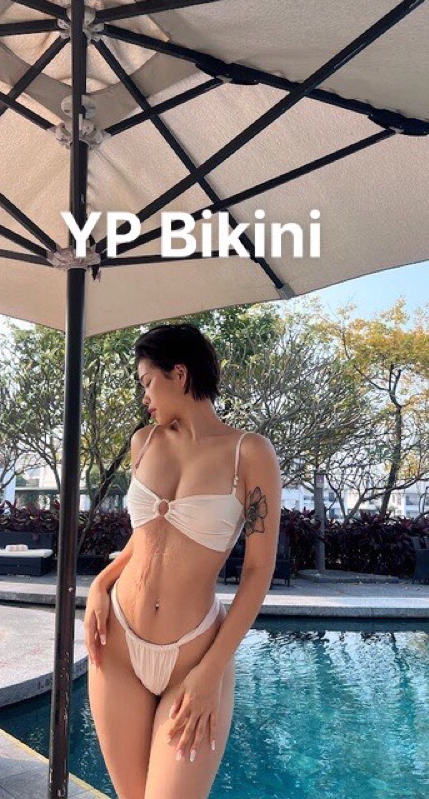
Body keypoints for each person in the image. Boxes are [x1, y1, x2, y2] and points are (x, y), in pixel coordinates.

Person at [86, 322, 282, 799]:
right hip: (117, 643)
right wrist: (99, 584)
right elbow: (144, 539)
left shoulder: (249, 453)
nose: (145, 398)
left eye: (147, 382)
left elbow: (259, 571)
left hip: (193, 657)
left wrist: (211, 672)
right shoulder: (144, 443)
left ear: (179, 373)